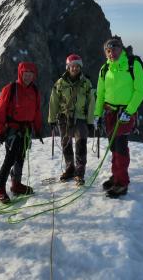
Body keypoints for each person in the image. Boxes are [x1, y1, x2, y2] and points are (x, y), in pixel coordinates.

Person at [94, 36, 143, 198]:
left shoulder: (133, 64)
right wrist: (97, 114)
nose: (111, 53)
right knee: (114, 146)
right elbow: (101, 94)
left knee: (120, 146)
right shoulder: (105, 69)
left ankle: (122, 183)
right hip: (110, 113)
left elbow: (141, 91)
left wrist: (129, 111)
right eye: (108, 51)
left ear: (121, 49)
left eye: (114, 49)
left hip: (125, 113)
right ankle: (116, 175)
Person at [0, 62, 43, 204]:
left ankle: (16, 184)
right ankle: (0, 186)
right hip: (13, 129)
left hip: (26, 129)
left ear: (34, 75)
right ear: (20, 73)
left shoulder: (34, 91)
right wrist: (1, 130)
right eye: (25, 73)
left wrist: (38, 129)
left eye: (30, 73)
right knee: (10, 157)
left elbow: (37, 112)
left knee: (20, 156)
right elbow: (0, 110)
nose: (28, 76)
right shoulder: (10, 89)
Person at [48, 54, 95, 185]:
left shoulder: (86, 83)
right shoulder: (60, 83)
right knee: (66, 145)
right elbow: (54, 101)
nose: (74, 68)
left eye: (77, 66)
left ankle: (79, 173)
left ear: (80, 67)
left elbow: (91, 102)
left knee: (81, 145)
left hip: (80, 118)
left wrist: (90, 121)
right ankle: (70, 169)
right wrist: (51, 119)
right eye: (72, 66)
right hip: (64, 118)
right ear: (68, 67)